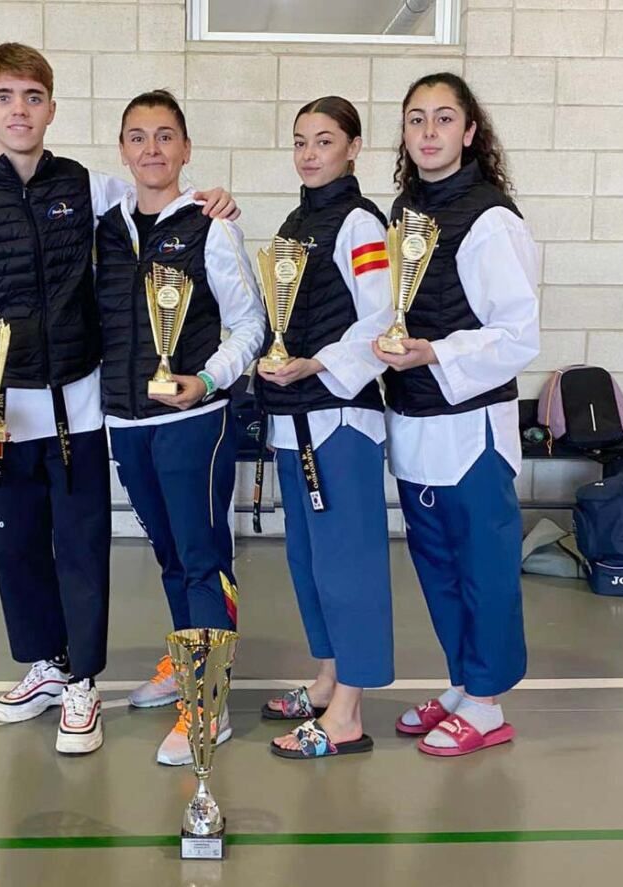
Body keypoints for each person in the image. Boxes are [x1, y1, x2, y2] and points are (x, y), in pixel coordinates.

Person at [0, 45, 237, 756]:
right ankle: (45, 663)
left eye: (32, 96)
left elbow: (158, 196)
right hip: (4, 408)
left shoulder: (87, 189)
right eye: (4, 96)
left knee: (81, 545)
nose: (19, 110)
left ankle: (83, 684)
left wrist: (211, 198)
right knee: (19, 547)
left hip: (82, 406)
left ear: (52, 108)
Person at [94, 90, 264, 766]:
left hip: (195, 419)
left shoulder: (209, 225)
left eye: (166, 137)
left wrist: (210, 378)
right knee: (167, 552)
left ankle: (209, 699)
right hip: (125, 420)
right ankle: (185, 657)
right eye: (138, 137)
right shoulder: (105, 228)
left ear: (186, 150)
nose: (152, 149)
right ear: (123, 150)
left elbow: (251, 323)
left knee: (201, 555)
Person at [373, 72, 540, 758]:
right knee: (438, 568)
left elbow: (519, 332)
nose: (430, 132)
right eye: (417, 120)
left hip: (472, 430)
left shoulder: (491, 219)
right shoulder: (403, 213)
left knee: (484, 569)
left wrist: (434, 351)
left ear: (470, 132)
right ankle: (464, 683)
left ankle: (488, 700)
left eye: (445, 119)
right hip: (414, 423)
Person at [255, 97, 396, 760]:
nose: (310, 153)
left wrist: (319, 363)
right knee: (310, 562)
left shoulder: (361, 223)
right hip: (295, 415)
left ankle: (347, 713)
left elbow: (381, 318)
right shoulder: (294, 222)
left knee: (349, 563)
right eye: (300, 141)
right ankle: (328, 678)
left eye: (325, 141)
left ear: (353, 147)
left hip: (341, 415)